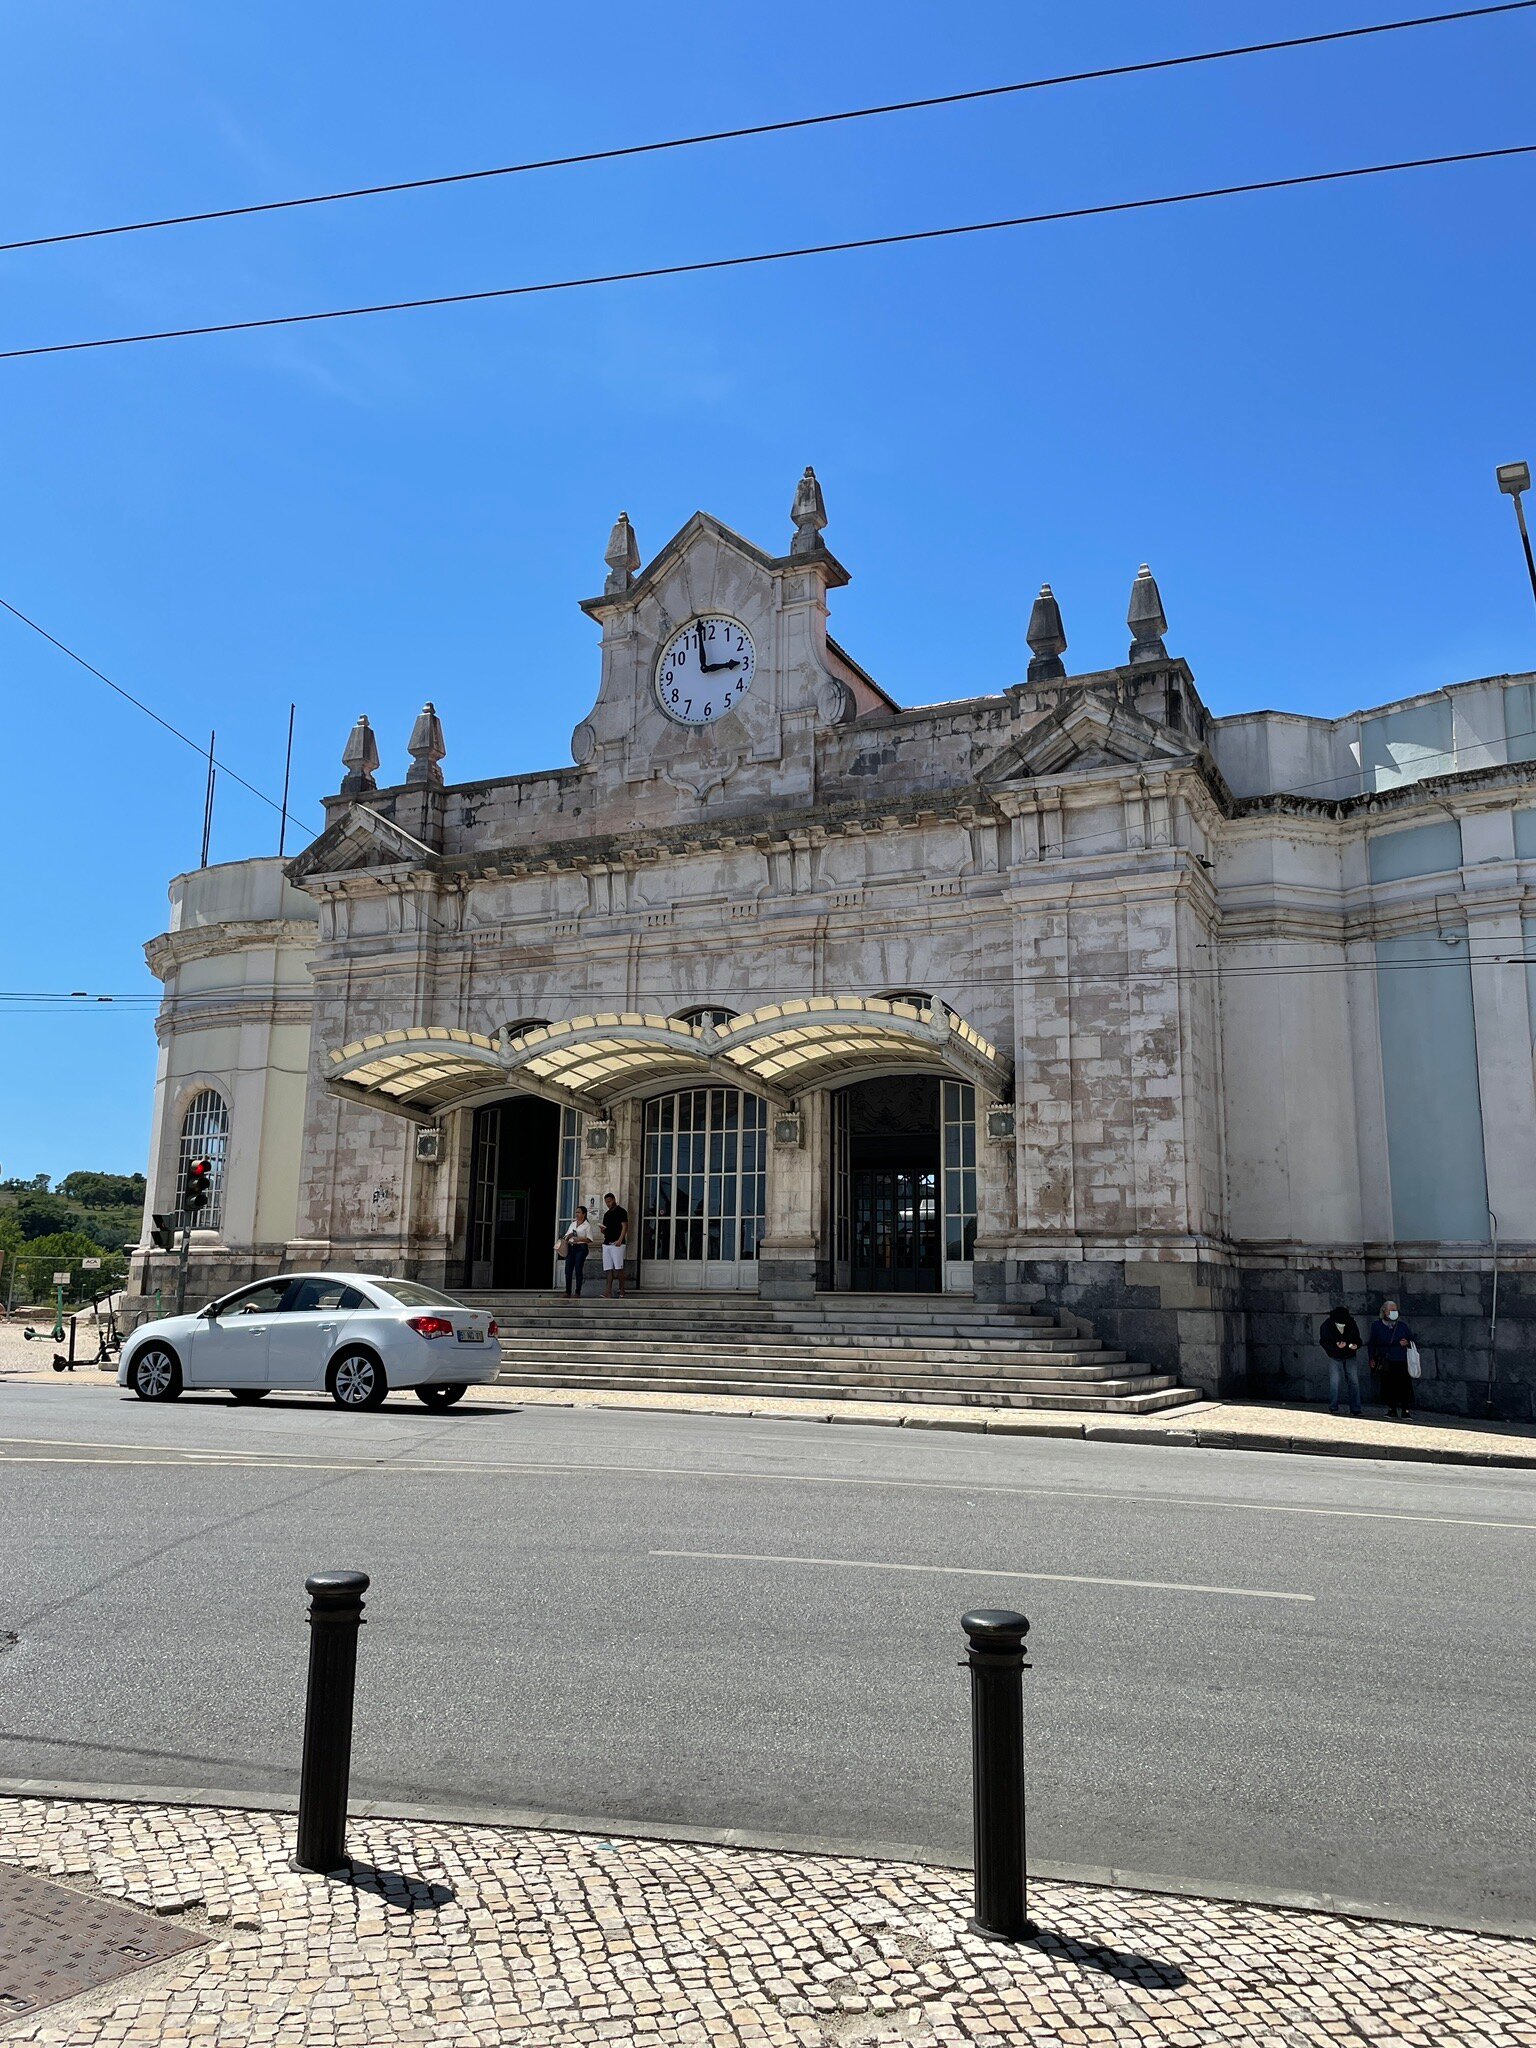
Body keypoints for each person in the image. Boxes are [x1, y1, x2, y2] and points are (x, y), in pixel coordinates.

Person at [1368, 1297, 1418, 1418]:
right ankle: (1392, 1408)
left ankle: (1406, 1410)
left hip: (1401, 1359)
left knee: (1404, 1385)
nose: (1394, 1312)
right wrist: (1371, 1358)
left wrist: (1407, 1342)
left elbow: (1412, 1339)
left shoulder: (1402, 1326)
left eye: (1395, 1310)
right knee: (1388, 1385)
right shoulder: (1377, 1326)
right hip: (1386, 1359)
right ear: (1384, 1312)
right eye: (1391, 1310)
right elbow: (1372, 1343)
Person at [1318, 1304, 1363, 1417]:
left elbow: (1358, 1340)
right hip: (1335, 1356)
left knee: (1354, 1382)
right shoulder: (1327, 1325)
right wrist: (1335, 1347)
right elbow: (1324, 1342)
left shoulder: (1351, 1323)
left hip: (1350, 1355)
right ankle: (1333, 1407)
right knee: (1335, 1382)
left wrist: (1355, 1345)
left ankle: (1356, 1409)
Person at [559, 1205, 596, 1298]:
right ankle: (567, 1291)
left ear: (584, 1214)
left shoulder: (587, 1225)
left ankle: (577, 1292)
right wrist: (570, 1235)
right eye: (576, 1212)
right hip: (571, 1248)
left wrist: (579, 1238)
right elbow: (566, 1236)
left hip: (581, 1248)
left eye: (579, 1212)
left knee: (578, 1269)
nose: (577, 1214)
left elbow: (590, 1239)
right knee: (568, 1269)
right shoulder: (573, 1224)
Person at [600, 1191, 629, 1298]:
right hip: (607, 1243)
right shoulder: (607, 1214)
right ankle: (608, 1291)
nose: (608, 1204)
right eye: (606, 1202)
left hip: (617, 1244)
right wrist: (603, 1230)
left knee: (618, 1268)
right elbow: (606, 1229)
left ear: (614, 1200)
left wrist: (620, 1240)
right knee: (608, 1268)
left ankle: (622, 1290)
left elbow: (625, 1226)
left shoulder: (621, 1211)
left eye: (609, 1201)